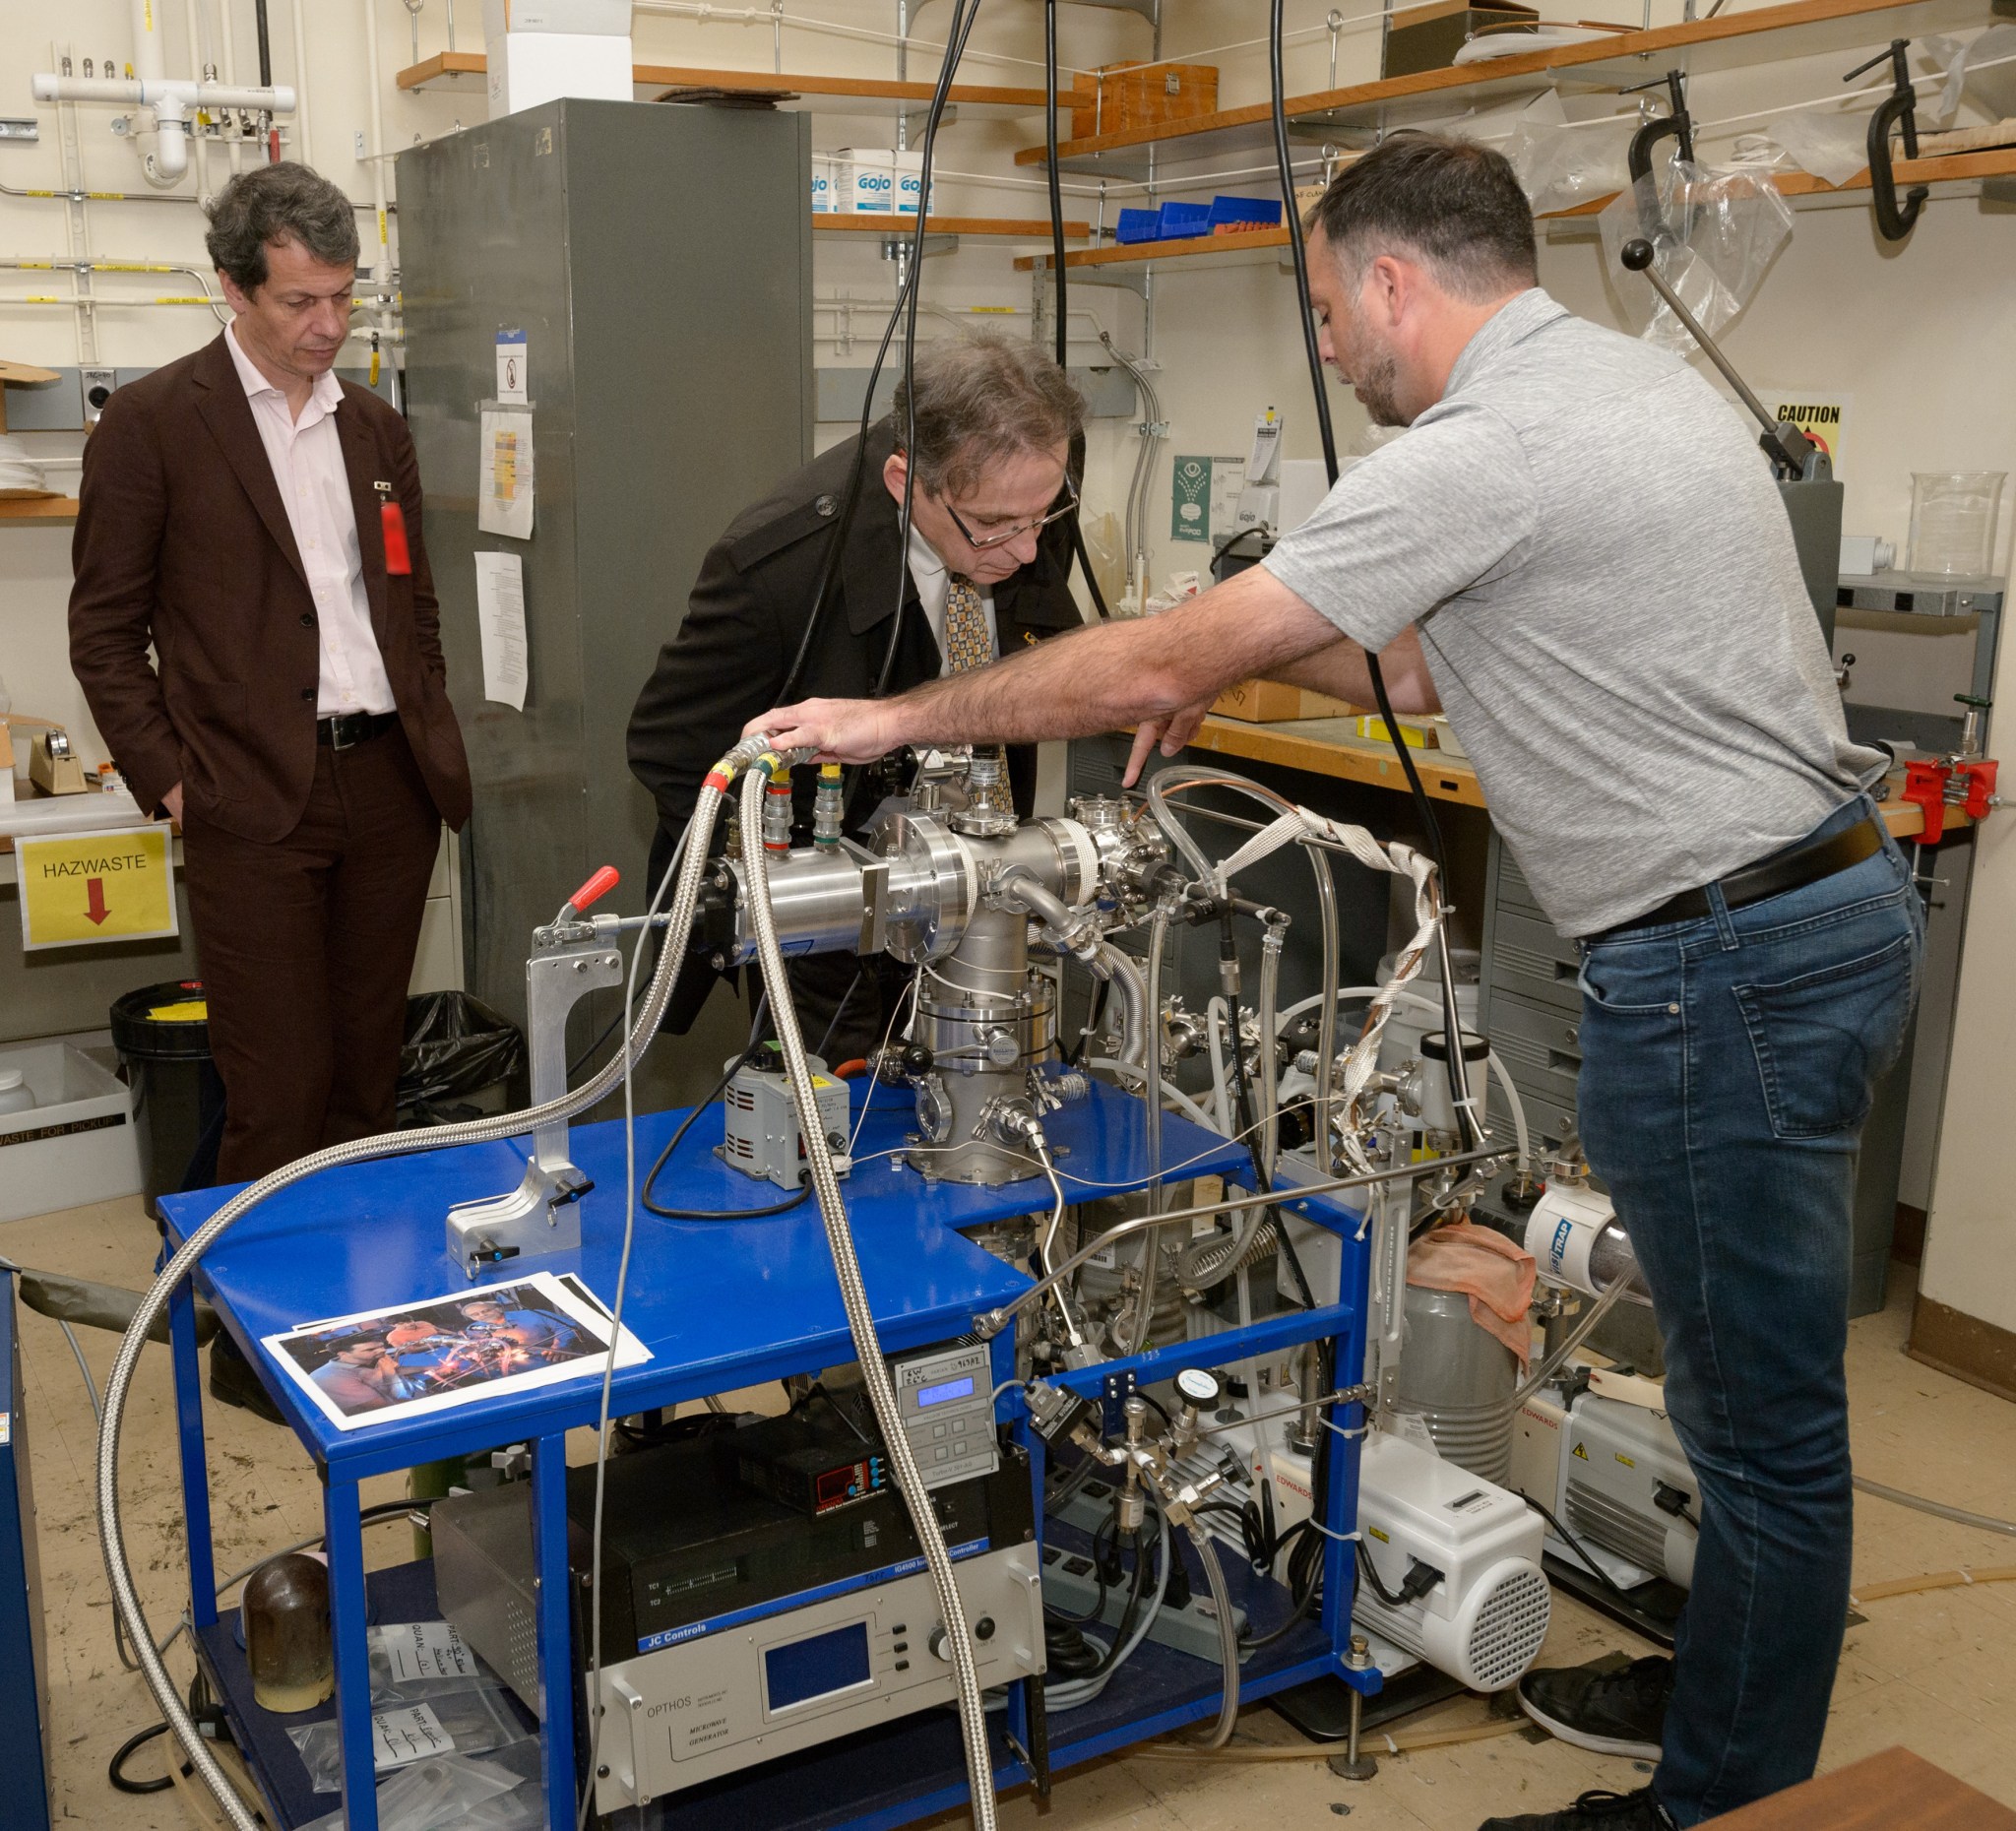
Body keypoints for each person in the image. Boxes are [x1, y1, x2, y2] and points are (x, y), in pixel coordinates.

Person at [744, 135, 1921, 1830]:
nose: (1334, 348)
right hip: (1806, 917)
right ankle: (1725, 1697)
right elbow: (1422, 654)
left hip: (1718, 961)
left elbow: (1178, 652)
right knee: (1752, 1393)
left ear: (1388, 281)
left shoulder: (1480, 446)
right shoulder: (1621, 387)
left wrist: (902, 721)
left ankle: (1715, 1803)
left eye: (1322, 309)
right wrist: (1227, 668)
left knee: (1760, 1425)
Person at [68, 162, 472, 1419]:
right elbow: (103, 632)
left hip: (386, 790)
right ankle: (252, 1357)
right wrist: (174, 785)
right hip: (249, 802)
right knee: (274, 1087)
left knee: (363, 1078)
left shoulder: (373, 427)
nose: (327, 326)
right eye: (301, 301)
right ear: (234, 288)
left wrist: (426, 720)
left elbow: (408, 604)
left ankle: (353, 1328)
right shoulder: (153, 424)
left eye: (343, 299)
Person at [626, 333, 1089, 1060]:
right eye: (998, 527)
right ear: (907, 483)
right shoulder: (777, 569)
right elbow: (670, 747)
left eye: (1043, 518)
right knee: (845, 1120)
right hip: (828, 915)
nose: (1028, 551)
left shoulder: (1024, 486)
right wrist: (784, 887)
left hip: (978, 884)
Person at [308, 1337, 407, 1415]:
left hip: (395, 1396)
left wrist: (422, 1368)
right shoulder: (333, 1378)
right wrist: (389, 1375)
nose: (382, 1350)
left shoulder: (377, 1357)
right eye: (371, 1349)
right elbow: (385, 1406)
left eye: (381, 1346)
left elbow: (397, 1370)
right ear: (344, 1354)